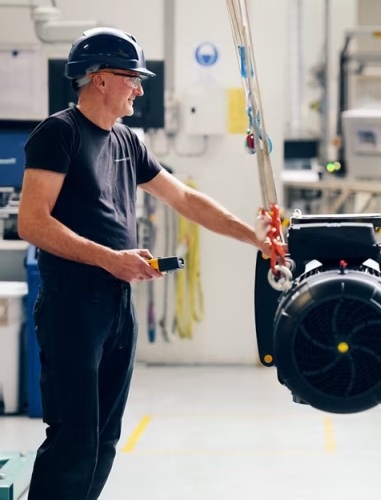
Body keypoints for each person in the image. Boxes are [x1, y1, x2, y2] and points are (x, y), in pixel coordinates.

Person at [18, 27, 280, 500]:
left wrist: (254, 239)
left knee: (104, 439)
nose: (139, 90)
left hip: (117, 303)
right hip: (71, 305)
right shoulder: (59, 133)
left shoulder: (127, 142)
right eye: (132, 78)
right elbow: (33, 222)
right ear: (100, 79)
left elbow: (185, 199)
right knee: (74, 438)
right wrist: (110, 259)